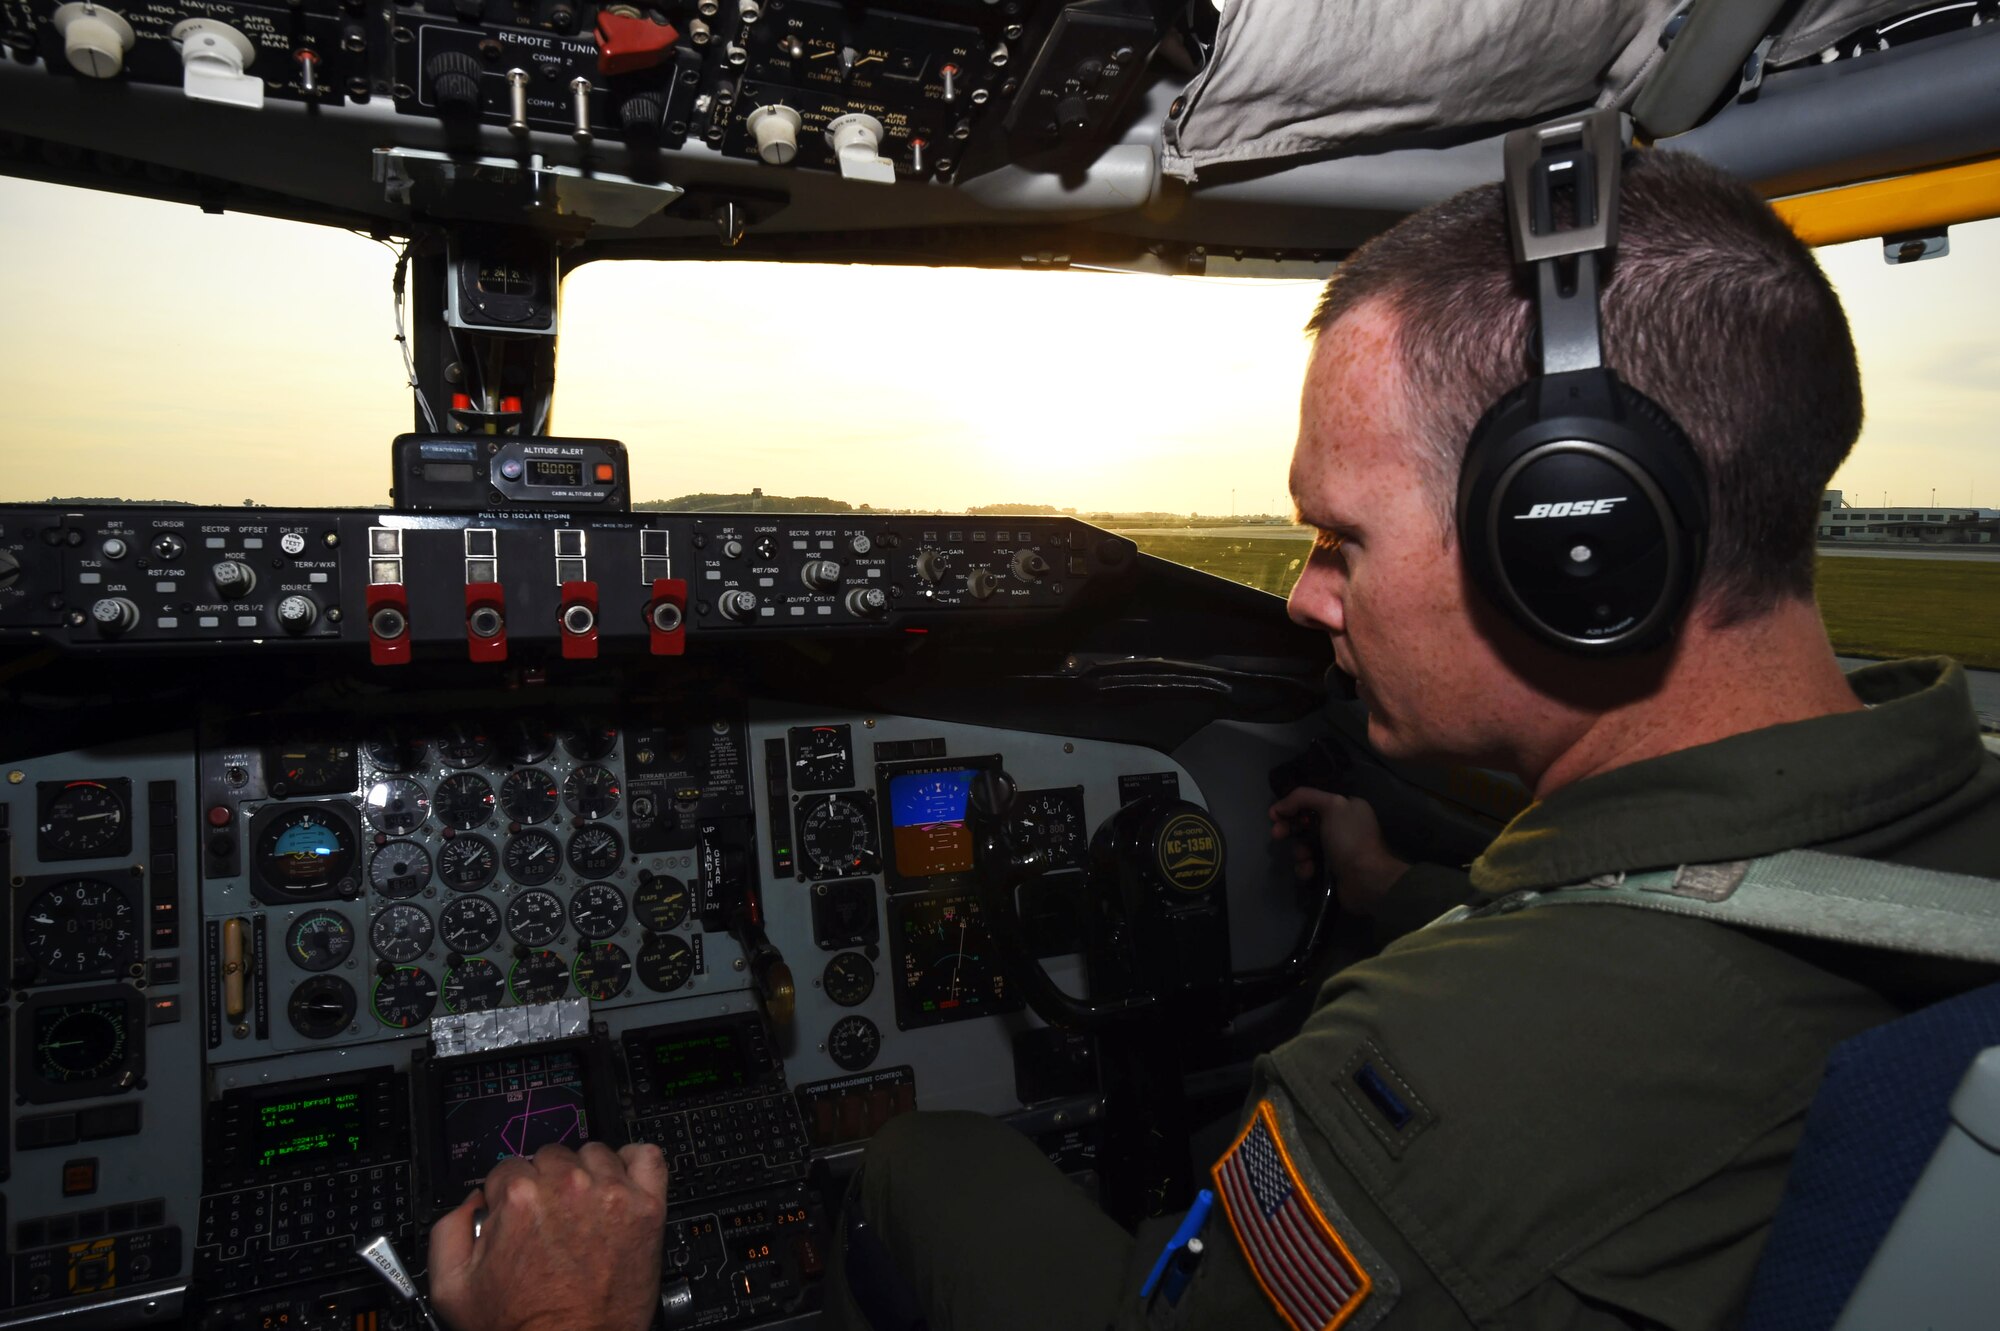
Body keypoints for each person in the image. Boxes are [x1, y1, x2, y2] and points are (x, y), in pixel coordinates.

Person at [428, 148, 2000, 1330]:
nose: (1307, 602)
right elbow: (1680, 955)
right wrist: (1391, 885)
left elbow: (1555, 1044)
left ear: (1573, 543)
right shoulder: (1946, 837)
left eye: (1338, 538)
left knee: (929, 1160)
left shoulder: (1428, 1087)